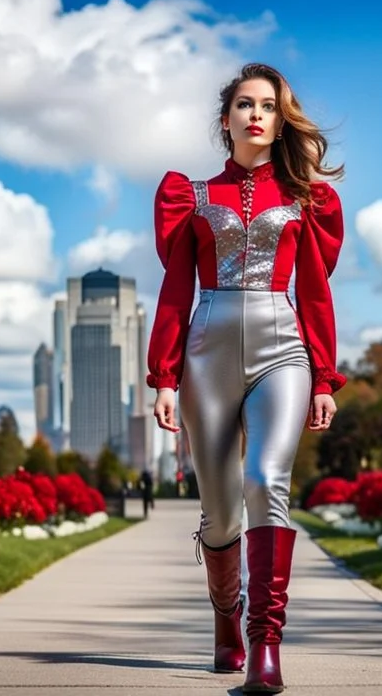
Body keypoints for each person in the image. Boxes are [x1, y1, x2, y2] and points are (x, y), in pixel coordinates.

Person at [146, 62, 345, 694]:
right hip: (205, 348)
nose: (256, 115)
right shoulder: (191, 195)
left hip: (282, 346)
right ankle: (225, 620)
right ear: (225, 118)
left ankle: (266, 645)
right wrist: (164, 378)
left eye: (268, 106)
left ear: (281, 120)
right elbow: (176, 290)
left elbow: (313, 293)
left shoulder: (306, 200)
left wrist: (322, 379)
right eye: (244, 105)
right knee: (220, 511)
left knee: (266, 480)